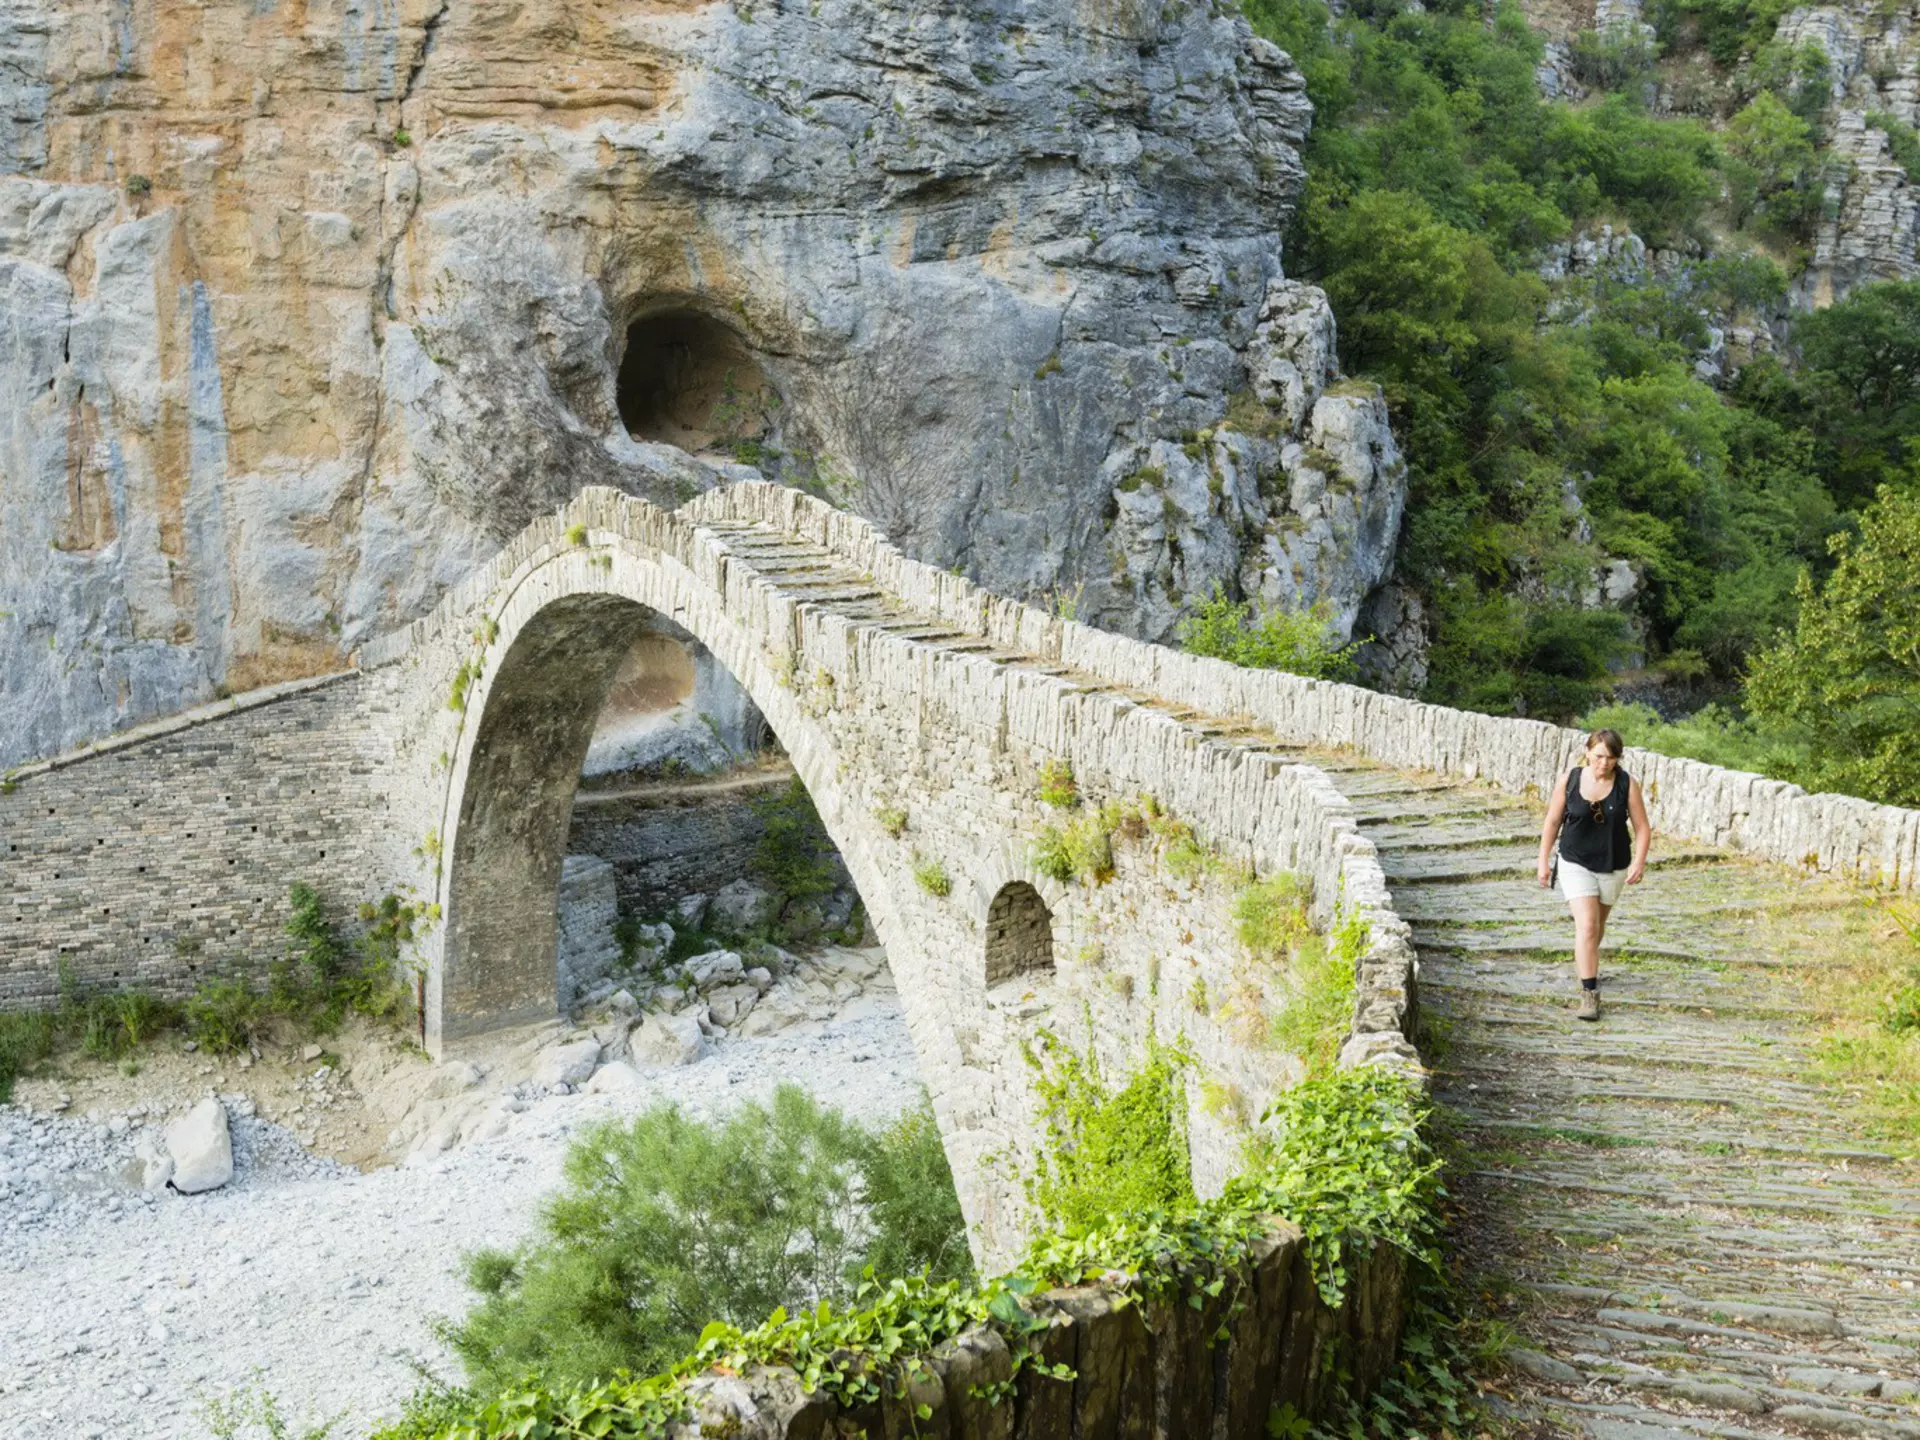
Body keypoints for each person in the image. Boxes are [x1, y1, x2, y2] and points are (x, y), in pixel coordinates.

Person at [1535, 728, 1651, 1022]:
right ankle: (1590, 994)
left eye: (1611, 758)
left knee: (1596, 928)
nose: (1604, 763)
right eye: (1599, 756)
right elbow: (1552, 821)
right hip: (1574, 861)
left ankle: (1585, 962)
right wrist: (1543, 861)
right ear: (1588, 751)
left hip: (1614, 864)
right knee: (1587, 926)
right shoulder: (1570, 780)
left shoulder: (1626, 784)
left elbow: (1642, 827)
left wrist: (1639, 861)